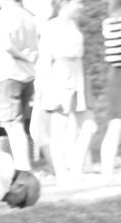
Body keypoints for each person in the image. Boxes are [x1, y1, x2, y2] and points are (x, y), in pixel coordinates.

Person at [40, 0, 91, 181]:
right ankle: (61, 173)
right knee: (59, 127)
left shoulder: (73, 25)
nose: (81, 6)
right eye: (78, 2)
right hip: (60, 75)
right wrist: (47, 89)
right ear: (65, 4)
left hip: (78, 74)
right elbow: (45, 60)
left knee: (88, 126)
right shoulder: (51, 27)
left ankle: (76, 169)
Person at [0, 0, 40, 173]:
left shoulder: (2, 17)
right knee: (21, 122)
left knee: (12, 124)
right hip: (28, 76)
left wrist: (21, 57)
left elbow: (5, 45)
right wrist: (29, 59)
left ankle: (22, 167)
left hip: (9, 75)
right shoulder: (30, 17)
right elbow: (37, 48)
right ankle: (24, 165)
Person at [101, 0, 121, 180]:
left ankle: (107, 169)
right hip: (118, 75)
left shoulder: (108, 23)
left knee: (116, 122)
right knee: (116, 122)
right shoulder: (115, 24)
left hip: (115, 74)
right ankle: (106, 169)